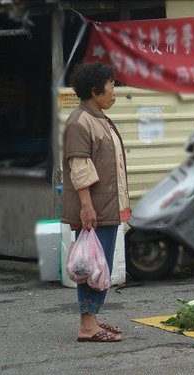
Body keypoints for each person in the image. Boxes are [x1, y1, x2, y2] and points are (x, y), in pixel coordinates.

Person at [61, 62, 130, 342]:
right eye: (111, 85)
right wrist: (86, 206)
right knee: (92, 266)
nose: (115, 90)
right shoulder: (80, 121)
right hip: (95, 209)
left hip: (106, 207)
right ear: (94, 89)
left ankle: (92, 319)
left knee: (100, 265)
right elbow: (80, 167)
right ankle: (87, 325)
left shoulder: (98, 117)